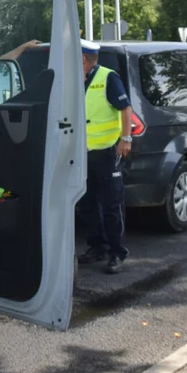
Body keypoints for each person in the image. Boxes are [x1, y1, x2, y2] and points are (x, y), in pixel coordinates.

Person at [76, 40, 134, 274]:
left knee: (111, 204)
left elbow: (125, 109)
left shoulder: (108, 78)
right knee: (87, 203)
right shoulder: (76, 81)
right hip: (83, 154)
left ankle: (117, 252)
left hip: (108, 153)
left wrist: (126, 138)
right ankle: (97, 247)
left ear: (82, 59)